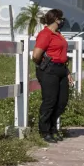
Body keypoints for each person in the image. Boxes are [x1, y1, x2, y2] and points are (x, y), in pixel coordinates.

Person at [32, 8, 71, 143]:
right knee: (50, 101)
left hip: (61, 69)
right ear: (56, 19)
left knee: (62, 101)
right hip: (49, 70)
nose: (62, 21)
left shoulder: (58, 34)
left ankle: (53, 127)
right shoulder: (45, 34)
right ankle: (45, 130)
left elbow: (62, 54)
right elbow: (36, 55)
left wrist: (67, 71)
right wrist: (45, 67)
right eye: (61, 18)